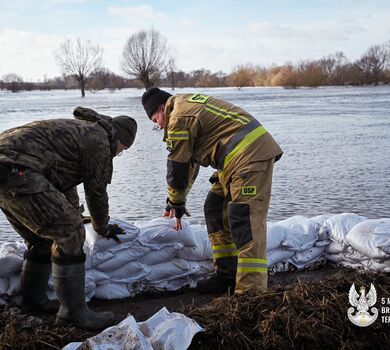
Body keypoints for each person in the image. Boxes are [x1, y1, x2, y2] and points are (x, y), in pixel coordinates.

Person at [0, 107, 137, 330]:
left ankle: (33, 303)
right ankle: (73, 313)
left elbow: (64, 182)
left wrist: (74, 212)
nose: (119, 154)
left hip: (9, 169)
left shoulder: (82, 131)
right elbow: (97, 191)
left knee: (41, 239)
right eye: (122, 150)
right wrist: (102, 228)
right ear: (121, 140)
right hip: (19, 170)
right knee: (71, 232)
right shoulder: (100, 141)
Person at [142, 88, 282, 294]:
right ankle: (227, 276)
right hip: (233, 160)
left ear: (162, 109)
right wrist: (174, 202)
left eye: (155, 120)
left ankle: (251, 291)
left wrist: (177, 202)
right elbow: (189, 164)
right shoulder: (184, 105)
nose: (158, 125)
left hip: (249, 156)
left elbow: (177, 166)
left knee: (244, 218)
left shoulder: (179, 117)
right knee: (214, 207)